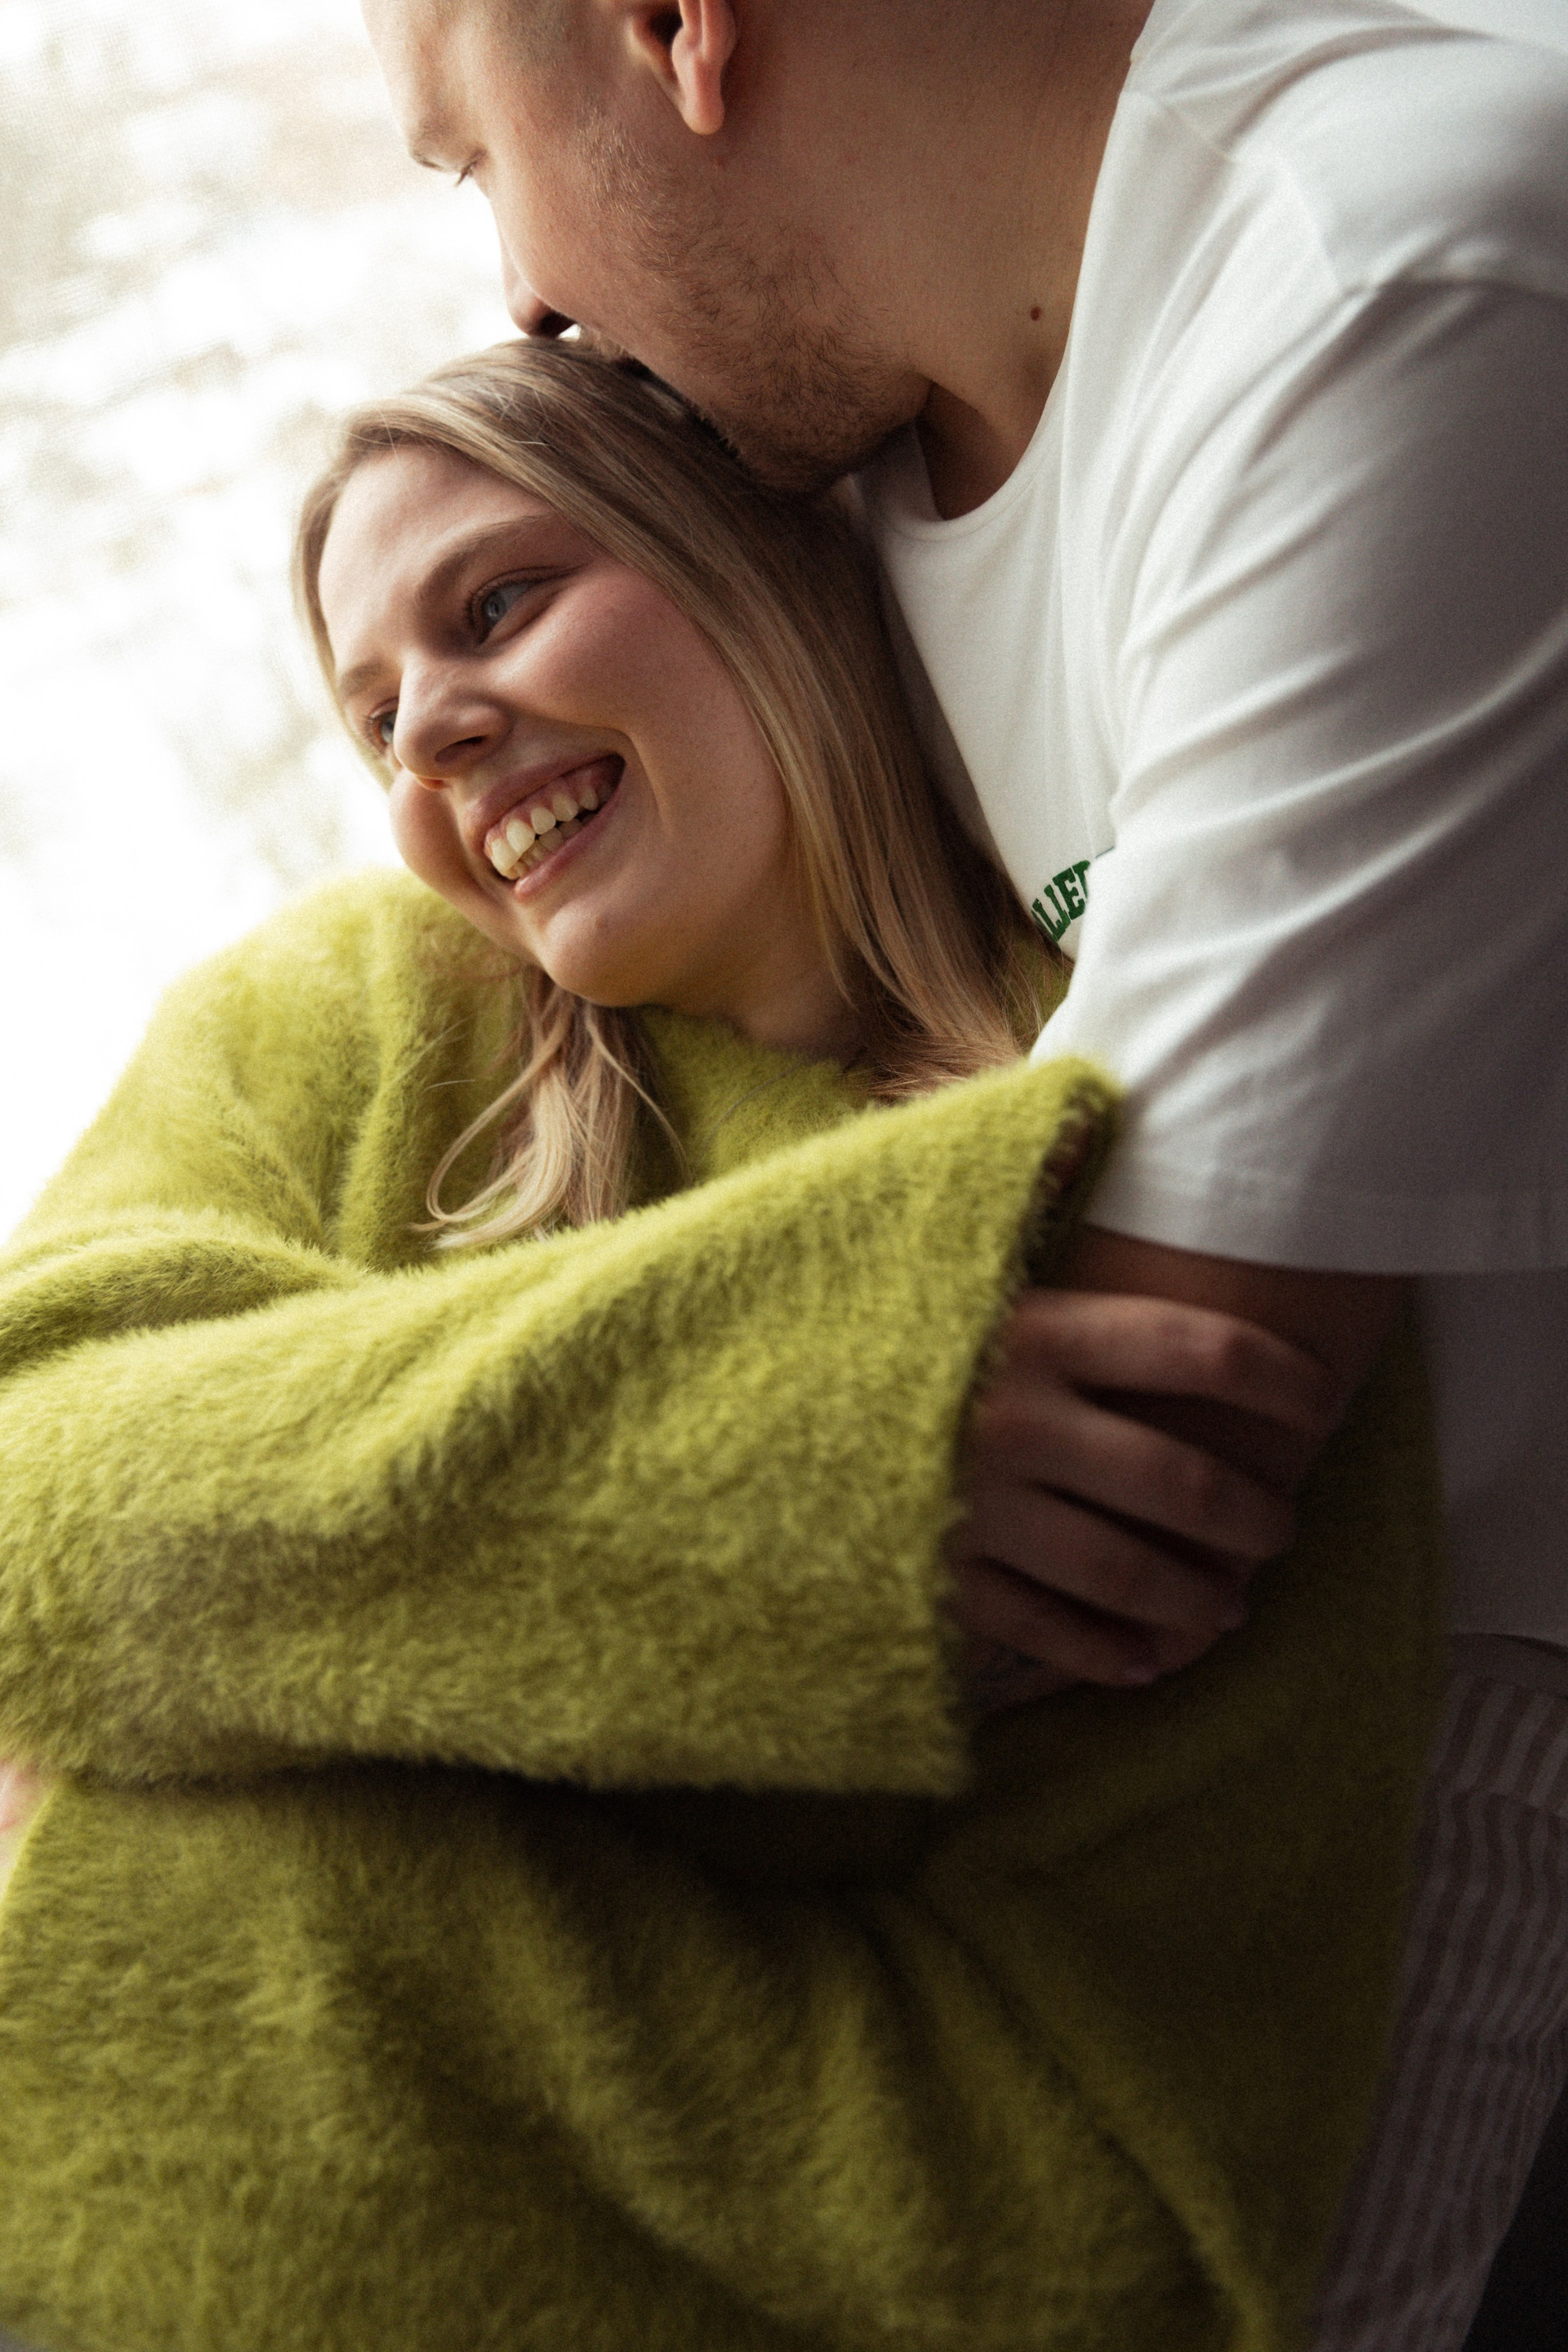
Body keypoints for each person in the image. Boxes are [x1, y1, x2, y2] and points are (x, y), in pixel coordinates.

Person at [0, 340, 1439, 2352]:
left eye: (497, 602)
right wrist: (794, 1438)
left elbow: (1101, 2193)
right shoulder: (349, 1006)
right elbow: (30, 1466)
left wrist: (148, 1820)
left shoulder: (1153, 1175)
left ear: (753, 556)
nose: (430, 738)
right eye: (375, 716)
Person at [354, 1, 1568, 2346]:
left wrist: (239, 1657)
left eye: (468, 160)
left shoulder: (1391, 279)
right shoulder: (832, 498)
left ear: (675, 29)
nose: (515, 296)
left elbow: (1137, 1439)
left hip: (1433, 1732)